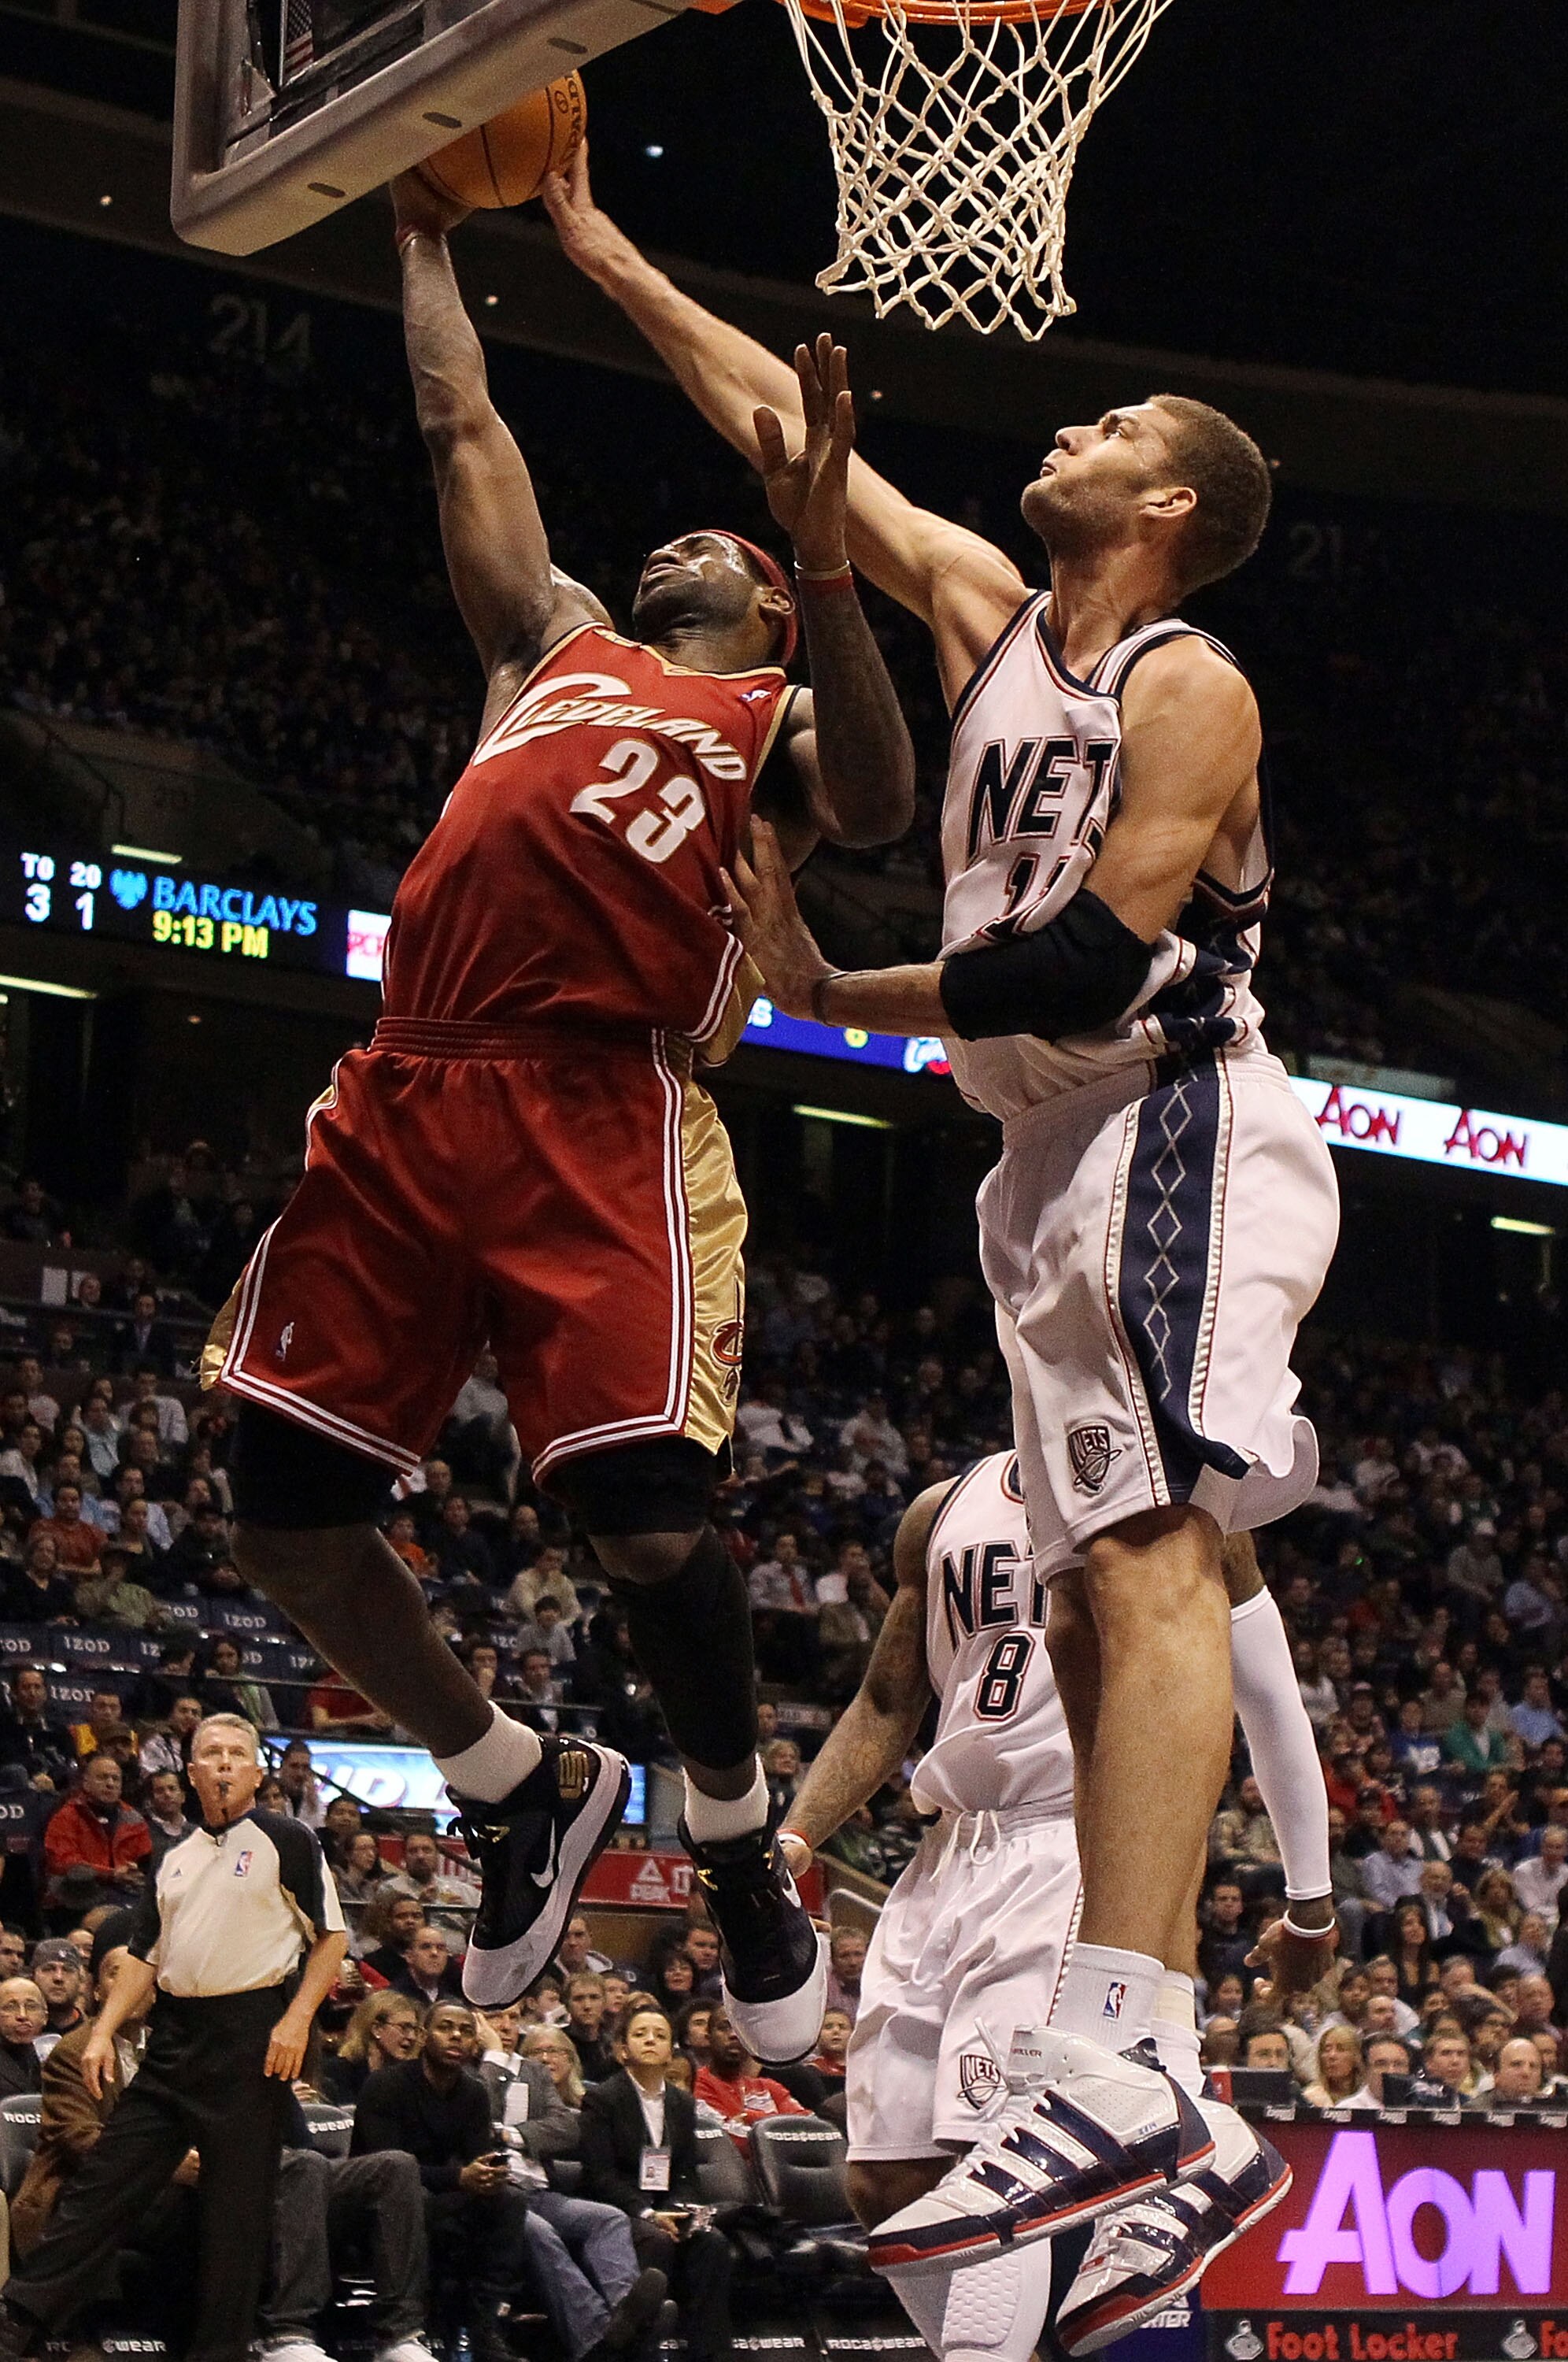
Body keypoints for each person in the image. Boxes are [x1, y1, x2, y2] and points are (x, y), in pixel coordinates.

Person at [550, 130, 1345, 2230]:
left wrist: (854, 985)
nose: (1066, 428)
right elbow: (783, 435)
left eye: (1113, 425)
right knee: (1088, 1591)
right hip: (1043, 1154)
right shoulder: (993, 611)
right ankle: (1146, 2072)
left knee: (1152, 1553)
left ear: (1167, 510)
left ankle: (1124, 2053)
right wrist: (598, 243)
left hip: (1180, 1121)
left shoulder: (1188, 682)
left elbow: (1085, 962)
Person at [209, 148, 914, 2064]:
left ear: (763, 613)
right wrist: (424, 234)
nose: (687, 542)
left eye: (726, 549)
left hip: (601, 1103)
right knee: (280, 1515)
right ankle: (515, 1779)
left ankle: (738, 1842)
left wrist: (823, 554)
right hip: (410, 1076)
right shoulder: (552, 648)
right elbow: (460, 419)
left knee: (646, 1522)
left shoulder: (771, 721)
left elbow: (876, 804)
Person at [773, 1453, 1320, 2355]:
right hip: (949, 1844)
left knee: (997, 2160)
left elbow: (1260, 1692)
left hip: (1070, 1833)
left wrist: (1309, 1900)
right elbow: (885, 1701)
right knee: (885, 2181)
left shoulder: (1176, 1491)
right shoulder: (941, 1511)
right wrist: (794, 1838)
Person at [0, 1713, 348, 2362]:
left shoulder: (289, 1838)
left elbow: (333, 1938)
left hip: (252, 2033)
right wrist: (103, 2031)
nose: (224, 1762)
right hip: (174, 2036)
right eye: (210, 1753)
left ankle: (219, 2352)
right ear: (190, 1772)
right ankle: (18, 2319)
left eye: (237, 1753)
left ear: (257, 1772)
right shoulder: (173, 1856)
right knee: (105, 2180)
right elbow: (144, 1955)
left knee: (236, 2217)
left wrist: (297, 2019)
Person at [353, 1999, 666, 2362]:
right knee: (532, 2228)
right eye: (445, 2028)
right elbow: (385, 2168)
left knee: (531, 2204)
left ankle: (623, 2318)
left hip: (469, 2191)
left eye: (465, 2031)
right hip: (392, 2200)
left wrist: (488, 2173)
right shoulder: (387, 2085)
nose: (456, 2036)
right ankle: (601, 2338)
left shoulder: (472, 2093)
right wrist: (462, 2176)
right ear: (424, 2036)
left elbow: (503, 2148)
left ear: (474, 2041)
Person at [581, 1999, 735, 2362]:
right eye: (640, 2034)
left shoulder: (682, 2103)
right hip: (621, 2211)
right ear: (623, 2050)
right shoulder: (602, 2099)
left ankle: (709, 2355)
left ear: (671, 2051)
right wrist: (648, 2214)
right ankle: (643, 2348)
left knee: (712, 2242)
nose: (651, 2040)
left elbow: (685, 2172)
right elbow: (599, 2175)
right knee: (656, 2240)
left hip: (667, 2208)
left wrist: (679, 2211)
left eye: (660, 2035)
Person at [43, 1754, 152, 1916]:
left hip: (127, 1892)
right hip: (78, 1895)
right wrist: (111, 1874)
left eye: (115, 1779)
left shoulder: (133, 1818)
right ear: (86, 1783)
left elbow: (146, 1859)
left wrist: (137, 1871)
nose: (110, 1784)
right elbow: (63, 1863)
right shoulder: (67, 1816)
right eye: (102, 1778)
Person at [694, 2005, 809, 2153]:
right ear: (708, 2038)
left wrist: (749, 2117)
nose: (734, 2035)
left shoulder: (768, 2087)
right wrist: (779, 2126)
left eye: (741, 2029)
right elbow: (726, 2140)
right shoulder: (697, 2082)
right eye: (724, 2028)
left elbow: (810, 2128)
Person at [382, 1828, 480, 1955]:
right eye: (413, 1851)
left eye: (427, 1850)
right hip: (406, 1959)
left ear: (437, 1855)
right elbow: (379, 1932)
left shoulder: (464, 1891)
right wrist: (419, 1907)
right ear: (404, 1857)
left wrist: (467, 1914)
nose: (420, 1856)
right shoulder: (390, 1889)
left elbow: (488, 1928)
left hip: (458, 1959)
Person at [320, 1990, 424, 2106]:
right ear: (377, 2029)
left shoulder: (412, 2079)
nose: (412, 2037)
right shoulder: (336, 2073)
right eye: (404, 2027)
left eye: (414, 2029)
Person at [29, 1941, 87, 2057]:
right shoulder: (17, 2033)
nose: (58, 1977)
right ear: (32, 1977)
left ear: (81, 1982)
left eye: (68, 1970)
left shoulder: (93, 2036)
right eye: (49, 1969)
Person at [390, 1924, 464, 2008]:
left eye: (440, 1948)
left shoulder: (456, 1997)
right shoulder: (394, 1998)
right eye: (426, 1947)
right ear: (409, 1956)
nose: (434, 1953)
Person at [0, 1980, 45, 2098]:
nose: (22, 2015)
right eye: (10, 2007)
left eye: (31, 2007)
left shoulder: (55, 2058)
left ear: (45, 2016)